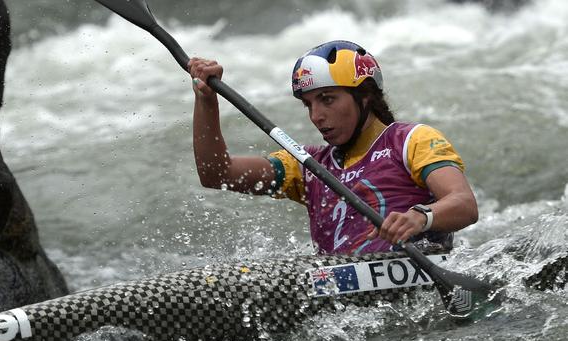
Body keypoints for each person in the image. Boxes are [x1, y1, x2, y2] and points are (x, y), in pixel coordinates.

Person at [188, 40, 478, 255]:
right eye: (308, 104)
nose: (316, 116)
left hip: (414, 280)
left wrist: (420, 217)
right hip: (338, 304)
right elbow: (217, 174)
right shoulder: (308, 165)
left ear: (364, 96)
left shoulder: (411, 141)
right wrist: (207, 101)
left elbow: (464, 205)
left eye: (327, 99)